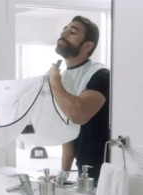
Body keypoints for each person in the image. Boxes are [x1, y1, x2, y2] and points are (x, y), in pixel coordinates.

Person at [48, 15, 110, 186]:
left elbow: (79, 114)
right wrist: (63, 175)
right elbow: (66, 129)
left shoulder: (101, 75)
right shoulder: (63, 78)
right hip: (84, 172)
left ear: (88, 46)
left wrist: (54, 82)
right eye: (65, 29)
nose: (64, 33)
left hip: (107, 172)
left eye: (72, 32)